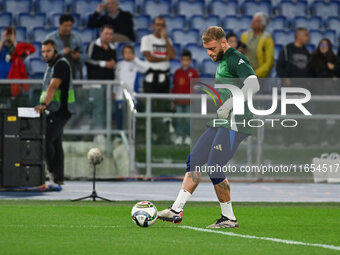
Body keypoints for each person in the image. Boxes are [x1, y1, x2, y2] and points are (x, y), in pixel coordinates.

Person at [158, 26, 260, 228]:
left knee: (214, 167)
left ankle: (229, 218)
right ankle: (176, 210)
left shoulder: (235, 58)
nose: (209, 53)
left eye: (212, 48)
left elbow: (254, 85)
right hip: (224, 120)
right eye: (206, 49)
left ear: (224, 43)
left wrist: (230, 104)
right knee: (195, 159)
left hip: (237, 122)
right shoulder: (224, 60)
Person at [34, 39, 76, 185]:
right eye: (43, 52)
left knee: (46, 141)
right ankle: (58, 178)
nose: (45, 54)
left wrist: (44, 104)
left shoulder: (60, 64)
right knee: (56, 143)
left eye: (48, 51)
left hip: (61, 110)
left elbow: (53, 86)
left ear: (55, 51)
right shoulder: (51, 65)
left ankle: (51, 170)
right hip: (54, 110)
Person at [140, 16, 176, 142]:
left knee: (163, 105)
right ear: (153, 25)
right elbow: (149, 57)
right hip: (151, 77)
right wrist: (164, 58)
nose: (159, 27)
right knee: (151, 105)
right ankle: (150, 133)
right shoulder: (147, 39)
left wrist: (165, 39)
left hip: (164, 77)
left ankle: (163, 134)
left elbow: (172, 55)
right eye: (157, 24)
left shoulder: (167, 40)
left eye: (162, 25)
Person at [86, 24, 117, 130]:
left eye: (111, 34)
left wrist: (113, 64)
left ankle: (107, 132)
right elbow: (88, 60)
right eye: (106, 34)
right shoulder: (93, 45)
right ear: (101, 34)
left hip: (109, 84)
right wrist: (104, 64)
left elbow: (114, 65)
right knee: (97, 108)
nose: (109, 36)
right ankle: (98, 133)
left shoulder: (112, 48)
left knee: (109, 109)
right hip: (96, 83)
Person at [114, 45, 149, 129]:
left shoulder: (136, 64)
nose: (128, 54)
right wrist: (114, 91)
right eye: (126, 52)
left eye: (130, 52)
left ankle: (131, 137)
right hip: (119, 95)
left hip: (132, 95)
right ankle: (119, 136)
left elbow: (146, 68)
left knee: (131, 117)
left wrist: (135, 59)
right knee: (120, 117)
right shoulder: (119, 64)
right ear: (122, 54)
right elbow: (116, 79)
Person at [0, 27, 35, 107]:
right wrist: (2, 40)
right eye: (7, 34)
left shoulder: (18, 47)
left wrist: (14, 41)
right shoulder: (2, 47)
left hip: (14, 82)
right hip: (1, 80)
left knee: (13, 107)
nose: (8, 36)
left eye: (10, 34)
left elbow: (21, 55)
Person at [172, 50, 199, 146]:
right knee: (179, 119)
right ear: (180, 60)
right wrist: (173, 101)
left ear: (190, 61)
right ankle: (179, 136)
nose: (185, 62)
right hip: (178, 101)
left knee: (188, 120)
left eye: (187, 60)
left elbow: (196, 88)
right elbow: (174, 87)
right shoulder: (177, 72)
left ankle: (188, 136)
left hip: (189, 102)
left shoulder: (194, 73)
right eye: (183, 60)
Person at [45, 14, 85, 79]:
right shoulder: (50, 38)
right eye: (66, 26)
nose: (68, 28)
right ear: (60, 25)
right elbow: (46, 57)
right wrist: (62, 52)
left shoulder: (77, 38)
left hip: (74, 74)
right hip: (56, 75)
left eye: (70, 26)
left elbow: (85, 56)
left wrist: (78, 56)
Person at [241, 12, 274, 78]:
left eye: (257, 21)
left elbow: (269, 62)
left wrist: (255, 74)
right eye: (253, 20)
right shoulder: (244, 35)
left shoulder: (267, 38)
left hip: (259, 76)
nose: (253, 22)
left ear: (262, 25)